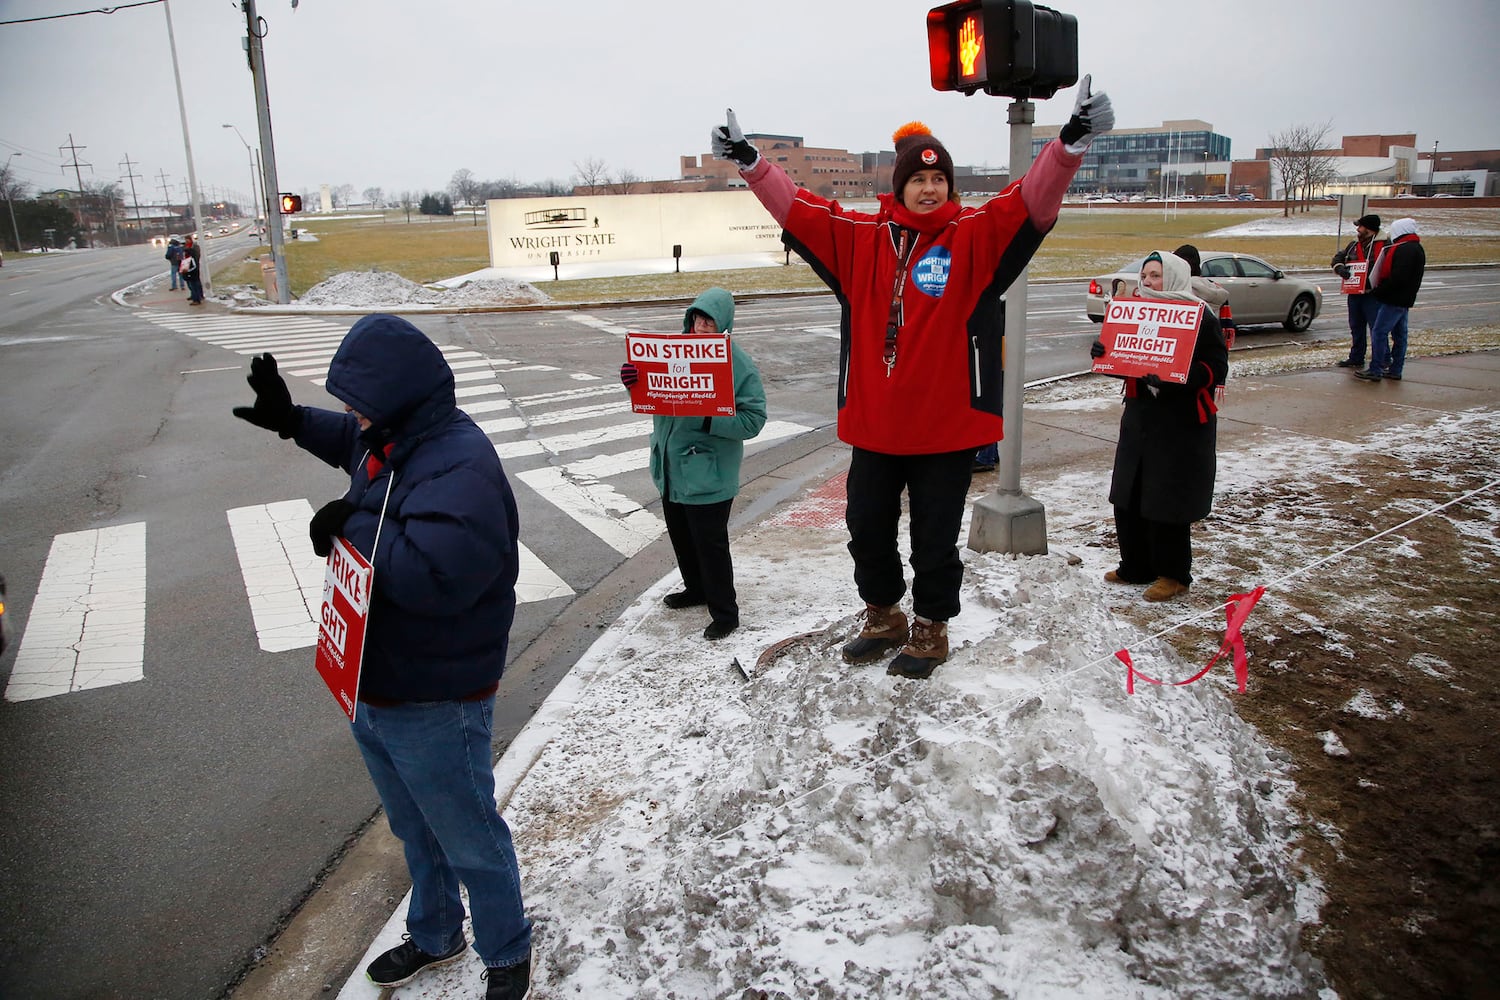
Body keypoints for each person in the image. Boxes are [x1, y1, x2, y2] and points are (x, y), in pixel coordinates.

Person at [712, 75, 1114, 679]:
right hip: (876, 429)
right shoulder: (861, 238)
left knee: (934, 540)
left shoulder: (973, 237)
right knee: (865, 529)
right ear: (899, 187)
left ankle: (931, 629)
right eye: (918, 179)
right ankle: (883, 615)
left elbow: (1030, 199)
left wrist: (1071, 141)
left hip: (946, 432)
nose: (929, 188)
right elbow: (799, 207)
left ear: (949, 186)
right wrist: (750, 162)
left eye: (938, 179)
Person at [231, 315, 533, 1000]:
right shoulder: (395, 438)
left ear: (397, 398)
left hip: (438, 696)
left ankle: (508, 951)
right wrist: (290, 420)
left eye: (357, 399)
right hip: (377, 681)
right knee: (413, 826)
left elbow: (437, 578)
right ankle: (434, 933)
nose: (349, 412)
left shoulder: (462, 464)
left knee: (468, 836)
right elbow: (350, 445)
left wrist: (352, 523)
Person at [619, 288, 767, 640]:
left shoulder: (736, 361)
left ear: (724, 324)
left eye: (710, 320)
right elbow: (657, 396)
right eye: (698, 318)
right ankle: (696, 589)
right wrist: (635, 382)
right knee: (683, 537)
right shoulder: (670, 353)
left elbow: (753, 420)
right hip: (671, 469)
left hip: (708, 473)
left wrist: (708, 419)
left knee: (710, 544)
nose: (702, 326)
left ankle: (725, 612)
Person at [1090, 251, 1228, 602]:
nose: (1149, 282)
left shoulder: (1200, 316)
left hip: (1179, 423)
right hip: (1140, 418)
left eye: (1156, 275)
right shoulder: (1134, 311)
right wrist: (1104, 352)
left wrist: (1175, 377)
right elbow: (1127, 356)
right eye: (1146, 276)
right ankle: (1135, 565)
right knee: (1129, 492)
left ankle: (1174, 574)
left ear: (1176, 278)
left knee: (1167, 499)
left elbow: (1215, 368)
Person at [1356, 217, 1425, 382]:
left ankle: (1376, 368)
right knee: (1400, 335)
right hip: (1404, 299)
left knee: (1379, 332)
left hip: (1394, 299)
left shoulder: (1404, 250)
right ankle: (1395, 369)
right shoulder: (1415, 248)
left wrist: (1378, 291)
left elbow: (1398, 278)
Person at [1331, 214, 1386, 369]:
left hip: (1373, 294)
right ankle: (1356, 357)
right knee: (1356, 327)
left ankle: (1381, 360)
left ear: (1369, 229)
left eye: (1360, 226)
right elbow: (1337, 259)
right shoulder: (1354, 244)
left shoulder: (1384, 244)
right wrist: (1340, 268)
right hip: (1354, 293)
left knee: (1377, 329)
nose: (1357, 229)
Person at [180, 234, 203, 305]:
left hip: (193, 267)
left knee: (195, 283)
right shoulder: (186, 247)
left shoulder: (194, 247)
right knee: (191, 283)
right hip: (187, 266)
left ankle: (197, 298)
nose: (186, 241)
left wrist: (189, 252)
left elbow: (196, 256)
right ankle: (195, 296)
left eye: (187, 240)